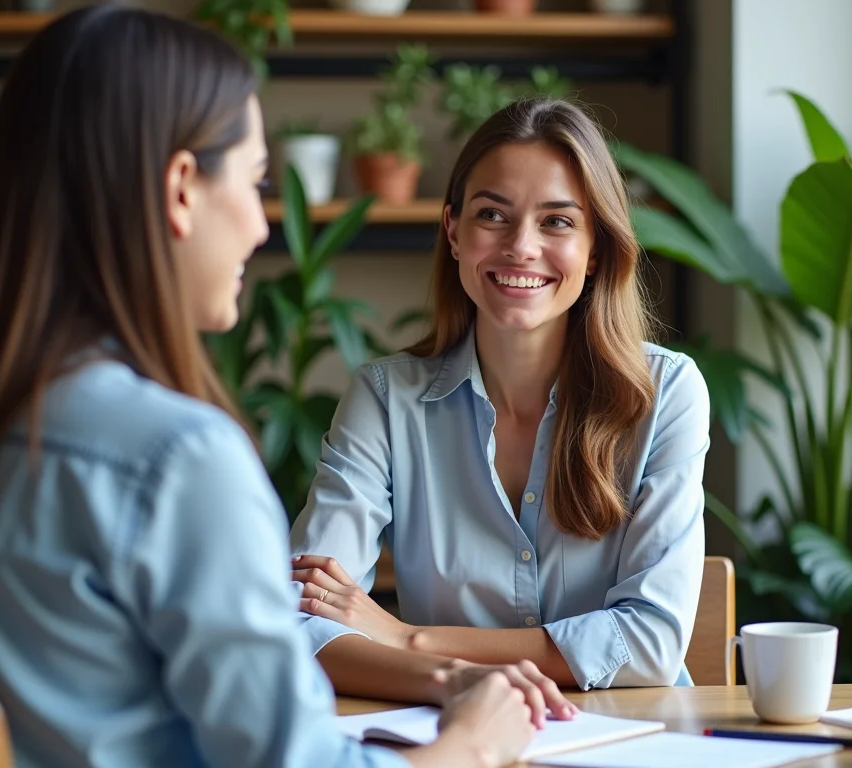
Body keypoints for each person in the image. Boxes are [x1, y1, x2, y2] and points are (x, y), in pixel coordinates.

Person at [0, 6, 540, 767]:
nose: (262, 227)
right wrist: (476, 743)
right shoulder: (172, 461)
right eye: (256, 181)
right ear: (182, 187)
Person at [288, 97, 711, 704]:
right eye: (493, 215)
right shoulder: (385, 399)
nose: (522, 246)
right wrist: (463, 681)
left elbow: (648, 646)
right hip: (456, 739)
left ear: (596, 250)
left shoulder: (665, 392)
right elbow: (302, 622)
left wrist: (412, 642)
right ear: (454, 232)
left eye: (558, 222)